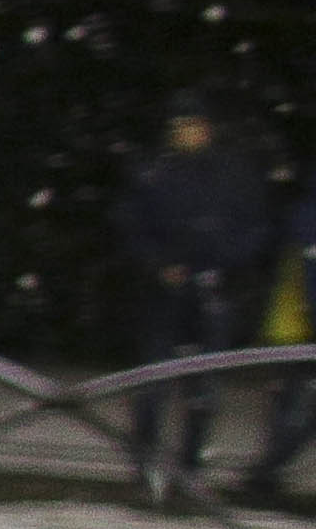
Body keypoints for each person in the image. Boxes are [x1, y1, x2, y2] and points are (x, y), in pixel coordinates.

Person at [112, 96, 275, 502]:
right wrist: (159, 265)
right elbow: (131, 226)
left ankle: (189, 468)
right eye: (183, 125)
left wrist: (226, 262)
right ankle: (145, 461)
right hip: (165, 291)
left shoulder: (232, 174)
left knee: (204, 385)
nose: (189, 132)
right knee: (153, 380)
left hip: (214, 288)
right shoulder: (154, 173)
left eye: (196, 124)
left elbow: (256, 227)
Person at [245, 143, 316, 504]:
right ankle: (265, 476)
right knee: (298, 408)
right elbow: (313, 282)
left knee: (298, 408)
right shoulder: (313, 220)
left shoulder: (307, 214)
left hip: (303, 330)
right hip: (305, 332)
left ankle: (269, 473)